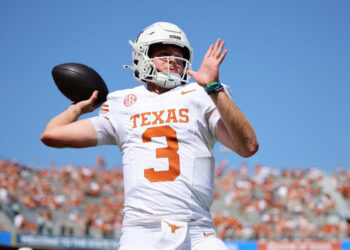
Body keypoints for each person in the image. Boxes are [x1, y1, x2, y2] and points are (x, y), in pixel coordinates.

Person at [41, 22, 259, 250]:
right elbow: (51, 134)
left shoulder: (201, 94)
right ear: (141, 57)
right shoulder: (122, 103)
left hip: (196, 230)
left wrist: (214, 87)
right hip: (140, 232)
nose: (173, 60)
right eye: (164, 54)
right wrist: (79, 109)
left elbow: (248, 147)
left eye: (178, 55)